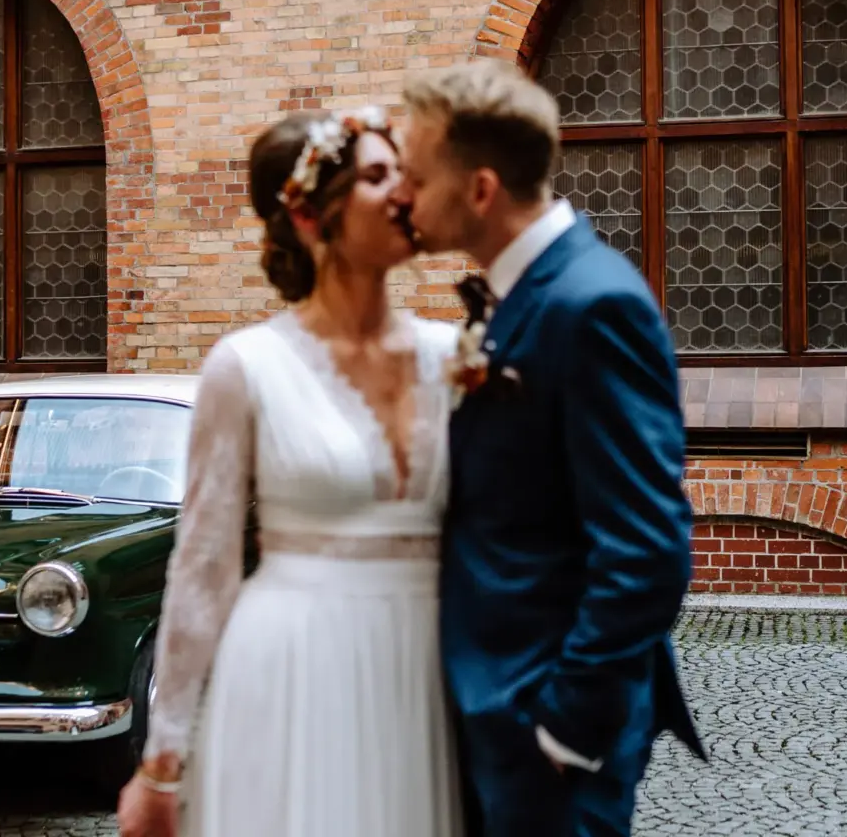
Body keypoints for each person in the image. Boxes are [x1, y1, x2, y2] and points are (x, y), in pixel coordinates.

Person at [117, 108, 464, 837]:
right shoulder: (246, 368)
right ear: (311, 216)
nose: (404, 192)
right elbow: (204, 566)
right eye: (377, 176)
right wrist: (163, 759)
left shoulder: (454, 359)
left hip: (427, 675)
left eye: (401, 172)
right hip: (295, 668)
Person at [392, 59, 705, 837]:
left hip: (544, 728)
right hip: (495, 711)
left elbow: (648, 548)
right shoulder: (525, 297)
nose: (403, 197)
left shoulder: (592, 305)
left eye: (417, 178)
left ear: (480, 189)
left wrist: (565, 729)